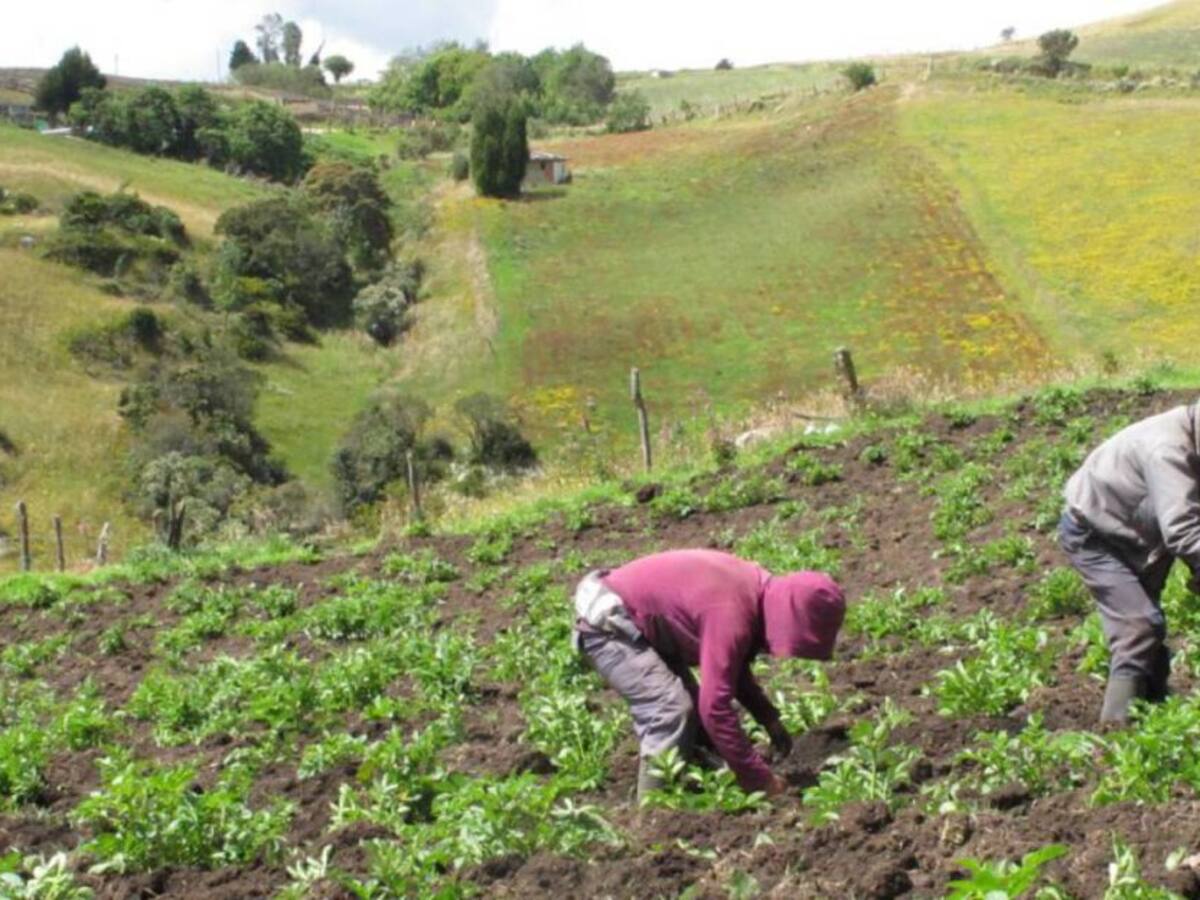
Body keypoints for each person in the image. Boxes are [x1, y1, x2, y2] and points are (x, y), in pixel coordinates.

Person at [572, 548, 846, 800]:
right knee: (670, 708)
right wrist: (761, 782)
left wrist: (769, 720)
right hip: (609, 623)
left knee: (696, 723)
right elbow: (714, 707)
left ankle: (698, 783)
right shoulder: (731, 612)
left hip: (643, 623)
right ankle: (653, 814)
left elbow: (733, 669)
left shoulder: (754, 590)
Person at [1060, 401, 1200, 724]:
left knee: (1149, 620)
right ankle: (1116, 730)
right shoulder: (1167, 450)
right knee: (1138, 625)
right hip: (1094, 532)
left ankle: (1155, 704)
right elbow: (1182, 530)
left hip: (1136, 528)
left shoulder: (1189, 434)